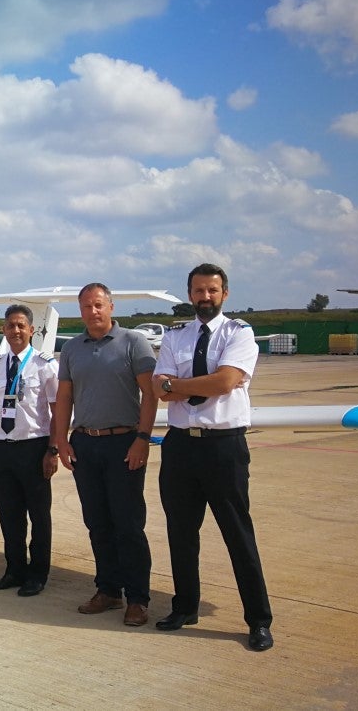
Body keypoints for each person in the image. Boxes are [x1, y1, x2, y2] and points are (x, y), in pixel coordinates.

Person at [152, 263, 274, 652]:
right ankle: (185, 606)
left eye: (212, 291)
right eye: (199, 291)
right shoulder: (175, 336)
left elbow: (224, 382)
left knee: (238, 536)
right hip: (180, 446)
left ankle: (258, 620)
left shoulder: (240, 333)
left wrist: (179, 385)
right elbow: (159, 388)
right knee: (181, 534)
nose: (205, 297)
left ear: (224, 294)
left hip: (224, 448)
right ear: (189, 294)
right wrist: (186, 386)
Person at [52, 283, 158, 626]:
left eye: (98, 305)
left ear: (111, 306)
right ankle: (109, 590)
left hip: (123, 443)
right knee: (97, 523)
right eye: (86, 306)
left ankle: (137, 598)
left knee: (128, 524)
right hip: (85, 444)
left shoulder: (134, 342)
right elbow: (64, 398)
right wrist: (61, 441)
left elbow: (150, 394)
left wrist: (143, 438)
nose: (92, 312)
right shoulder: (71, 348)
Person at [0, 305, 59, 597]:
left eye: (21, 326)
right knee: (9, 514)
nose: (16, 331)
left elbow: (56, 409)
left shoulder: (44, 365)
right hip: (4, 449)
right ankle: (14, 570)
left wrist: (54, 449)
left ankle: (37, 574)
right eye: (11, 326)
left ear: (32, 330)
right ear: (4, 330)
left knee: (38, 515)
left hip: (34, 446)